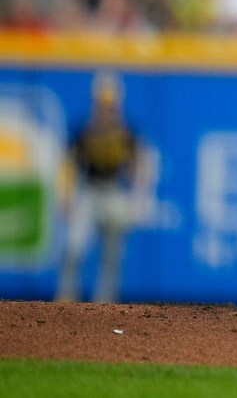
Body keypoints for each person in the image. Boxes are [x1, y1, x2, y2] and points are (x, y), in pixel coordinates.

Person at [56, 72, 144, 303]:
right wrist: (65, 198)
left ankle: (105, 304)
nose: (106, 109)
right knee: (74, 247)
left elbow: (138, 165)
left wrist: (137, 198)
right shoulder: (84, 130)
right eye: (103, 104)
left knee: (113, 254)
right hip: (89, 191)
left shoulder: (126, 131)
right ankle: (66, 298)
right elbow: (69, 165)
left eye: (110, 104)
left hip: (114, 191)